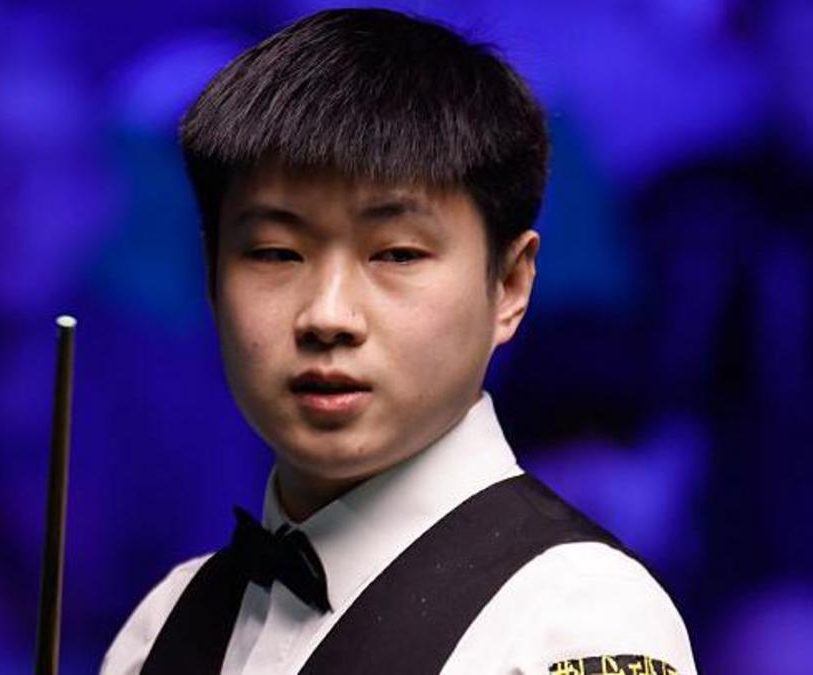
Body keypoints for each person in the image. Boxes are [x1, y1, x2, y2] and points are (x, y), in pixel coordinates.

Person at [101, 9, 697, 674]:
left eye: (396, 254)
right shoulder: (163, 622)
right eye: (275, 252)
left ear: (509, 285)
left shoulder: (577, 617)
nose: (328, 315)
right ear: (211, 275)